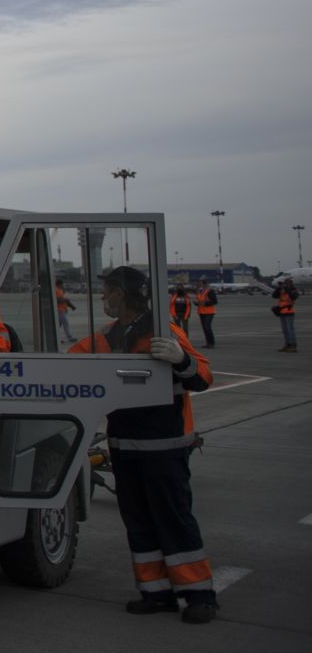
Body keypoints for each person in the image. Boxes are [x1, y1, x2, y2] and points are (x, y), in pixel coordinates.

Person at [69, 265, 217, 623]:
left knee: (173, 519)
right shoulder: (107, 336)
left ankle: (199, 595)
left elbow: (203, 376)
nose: (102, 297)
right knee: (137, 521)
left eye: (107, 291)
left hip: (164, 445)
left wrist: (180, 360)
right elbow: (69, 362)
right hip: (125, 445)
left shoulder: (162, 332)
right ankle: (155, 593)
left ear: (123, 293)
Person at [273, 277, 298, 353]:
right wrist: (278, 288)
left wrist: (288, 289)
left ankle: (293, 345)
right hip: (282, 312)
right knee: (285, 330)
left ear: (290, 284)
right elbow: (274, 296)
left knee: (290, 329)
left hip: (289, 312)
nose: (285, 285)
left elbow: (294, 297)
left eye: (287, 283)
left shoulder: (293, 290)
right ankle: (287, 344)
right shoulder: (282, 290)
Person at [194, 280, 217, 347]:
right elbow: (201, 301)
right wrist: (197, 304)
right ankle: (208, 343)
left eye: (200, 284)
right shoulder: (200, 292)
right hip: (201, 312)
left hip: (209, 312)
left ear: (204, 284)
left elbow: (215, 301)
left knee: (207, 327)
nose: (198, 285)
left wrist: (206, 303)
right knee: (204, 328)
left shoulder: (209, 291)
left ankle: (211, 343)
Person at [55, 277, 76, 348]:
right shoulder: (56, 290)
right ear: (60, 284)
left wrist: (68, 304)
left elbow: (62, 300)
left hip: (62, 310)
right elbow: (57, 300)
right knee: (65, 323)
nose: (63, 286)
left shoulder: (59, 290)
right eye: (62, 284)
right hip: (59, 311)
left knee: (58, 326)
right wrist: (66, 300)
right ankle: (70, 337)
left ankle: (57, 339)